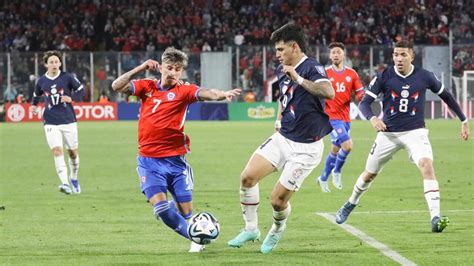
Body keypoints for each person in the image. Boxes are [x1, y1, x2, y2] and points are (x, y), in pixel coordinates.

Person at [111, 47, 241, 252]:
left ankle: (194, 233)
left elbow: (207, 93)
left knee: (187, 212)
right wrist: (142, 67)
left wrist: (222, 94)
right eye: (169, 67)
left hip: (175, 161)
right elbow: (117, 85)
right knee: (162, 208)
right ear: (161, 67)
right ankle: (196, 237)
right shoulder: (147, 87)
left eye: (178, 69)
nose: (173, 72)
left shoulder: (184, 90)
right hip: (149, 161)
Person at [335, 40, 470, 233]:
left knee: (426, 165)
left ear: (411, 56)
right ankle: (350, 203)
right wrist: (373, 119)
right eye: (396, 55)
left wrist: (463, 120)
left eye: (403, 55)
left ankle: (435, 217)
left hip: (415, 132)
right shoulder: (384, 76)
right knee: (369, 174)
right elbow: (365, 103)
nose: (399, 59)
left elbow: (446, 96)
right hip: (388, 134)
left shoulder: (425, 76)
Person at [227, 23, 334, 253]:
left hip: (306, 148)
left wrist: (298, 78)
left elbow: (328, 92)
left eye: (280, 50)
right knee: (247, 177)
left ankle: (277, 228)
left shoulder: (312, 68)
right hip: (283, 137)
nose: (277, 55)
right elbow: (282, 97)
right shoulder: (283, 68)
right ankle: (251, 228)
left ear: (294, 47)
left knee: (277, 201)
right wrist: (278, 119)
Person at [31, 50, 84, 195]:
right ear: (46, 64)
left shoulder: (68, 77)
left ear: (60, 63)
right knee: (56, 150)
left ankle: (73, 178)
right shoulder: (41, 81)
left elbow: (81, 90)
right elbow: (36, 95)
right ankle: (65, 183)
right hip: (50, 121)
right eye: (51, 62)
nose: (54, 64)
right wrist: (33, 106)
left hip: (68, 120)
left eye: (56, 62)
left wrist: (71, 99)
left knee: (72, 153)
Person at [316, 42, 365, 192]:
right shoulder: (324, 73)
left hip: (345, 117)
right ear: (330, 56)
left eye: (338, 52)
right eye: (333, 52)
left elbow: (359, 91)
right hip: (331, 117)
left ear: (343, 54)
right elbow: (317, 92)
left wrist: (362, 97)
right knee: (348, 146)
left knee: (336, 149)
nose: (336, 55)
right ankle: (336, 172)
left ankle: (323, 178)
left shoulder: (352, 74)